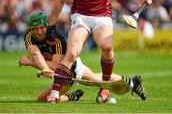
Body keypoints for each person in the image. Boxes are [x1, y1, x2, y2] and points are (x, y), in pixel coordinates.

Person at [46, 0, 152, 103]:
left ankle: (105, 89)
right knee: (72, 53)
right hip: (80, 16)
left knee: (107, 48)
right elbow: (60, 1)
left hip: (102, 16)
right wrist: (51, 26)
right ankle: (54, 93)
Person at [19, 11, 147, 103]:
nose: (38, 31)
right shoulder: (29, 36)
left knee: (98, 80)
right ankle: (73, 96)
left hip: (71, 70)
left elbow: (57, 66)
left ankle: (132, 82)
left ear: (47, 25)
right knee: (97, 79)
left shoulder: (56, 39)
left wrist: (30, 62)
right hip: (64, 70)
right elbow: (36, 53)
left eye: (41, 28)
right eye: (35, 29)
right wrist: (43, 67)